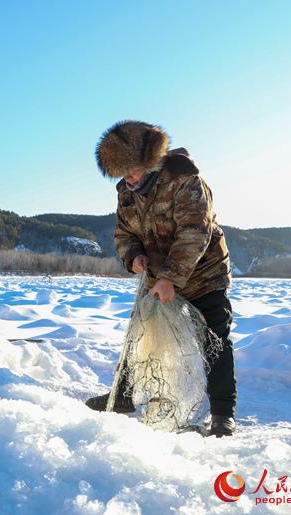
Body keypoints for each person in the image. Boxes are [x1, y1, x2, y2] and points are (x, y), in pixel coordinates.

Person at [86, 120, 236, 437]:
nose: (129, 178)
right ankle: (123, 396)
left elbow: (194, 233)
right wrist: (133, 256)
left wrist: (170, 278)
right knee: (138, 336)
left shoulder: (185, 179)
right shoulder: (126, 193)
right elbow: (124, 234)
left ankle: (223, 413)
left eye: (133, 170)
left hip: (204, 275)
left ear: (150, 159)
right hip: (156, 278)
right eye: (122, 173)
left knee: (215, 342)